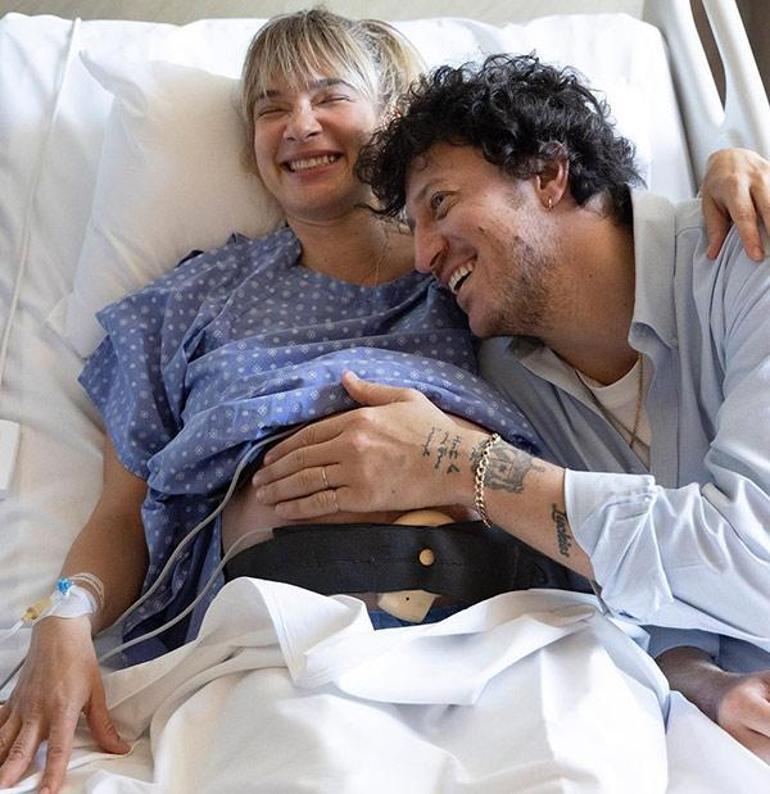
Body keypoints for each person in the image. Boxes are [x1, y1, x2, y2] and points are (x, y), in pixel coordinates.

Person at [0, 13, 767, 792]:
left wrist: (732, 163)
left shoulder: (477, 300)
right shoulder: (189, 303)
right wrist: (64, 615)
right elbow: (120, 512)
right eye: (269, 108)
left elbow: (591, 243)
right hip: (286, 638)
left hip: (526, 628)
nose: (299, 124)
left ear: (392, 118)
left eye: (329, 95)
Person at [250, 54, 770, 762]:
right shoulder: (504, 375)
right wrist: (703, 682)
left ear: (549, 173)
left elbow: (752, 556)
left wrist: (466, 465)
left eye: (440, 204)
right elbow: (628, 602)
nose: (424, 255)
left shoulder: (744, 253)